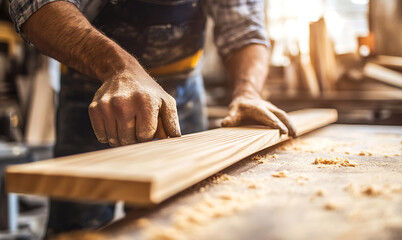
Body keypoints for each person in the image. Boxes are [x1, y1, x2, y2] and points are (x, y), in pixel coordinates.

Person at [9, 0, 296, 236]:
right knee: (80, 224)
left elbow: (245, 30)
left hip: (182, 90)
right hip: (93, 85)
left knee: (184, 219)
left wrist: (247, 92)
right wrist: (119, 68)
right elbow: (36, 6)